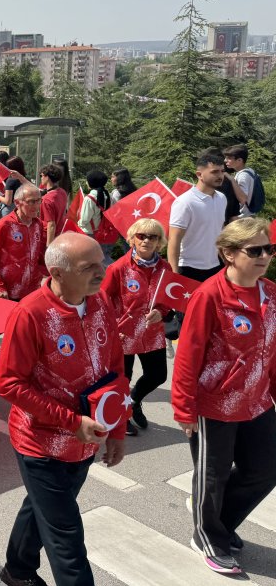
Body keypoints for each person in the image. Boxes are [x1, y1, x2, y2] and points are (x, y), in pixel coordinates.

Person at [0, 233, 125, 586]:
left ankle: (17, 571)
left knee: (43, 509)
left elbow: (115, 367)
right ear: (57, 273)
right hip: (41, 443)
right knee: (66, 534)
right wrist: (70, 421)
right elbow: (9, 383)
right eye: (89, 267)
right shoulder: (31, 313)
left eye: (101, 262)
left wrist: (117, 428)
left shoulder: (100, 303)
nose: (102, 272)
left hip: (85, 441)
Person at [171, 217, 276, 577]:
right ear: (229, 253)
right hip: (214, 404)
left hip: (257, 401)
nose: (265, 257)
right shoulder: (209, 296)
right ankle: (208, 537)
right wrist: (183, 408)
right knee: (212, 475)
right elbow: (188, 356)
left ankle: (220, 520)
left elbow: (271, 350)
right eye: (255, 250)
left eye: (269, 249)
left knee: (265, 468)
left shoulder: (271, 293)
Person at [100, 219, 171, 437]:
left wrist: (162, 311)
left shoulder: (165, 268)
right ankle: (121, 416)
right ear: (132, 239)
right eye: (141, 236)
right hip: (124, 334)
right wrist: (112, 327)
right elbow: (102, 300)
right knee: (123, 378)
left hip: (151, 332)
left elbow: (167, 299)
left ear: (159, 242)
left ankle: (133, 401)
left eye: (153, 237)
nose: (147, 240)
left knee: (158, 375)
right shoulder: (118, 268)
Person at [0, 185, 46, 377]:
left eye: (38, 201)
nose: (36, 205)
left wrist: (50, 272)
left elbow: (39, 255)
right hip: (7, 288)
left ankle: (23, 366)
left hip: (31, 288)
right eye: (31, 201)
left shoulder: (38, 225)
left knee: (28, 328)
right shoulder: (4, 225)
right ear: (18, 203)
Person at [168, 150, 227, 282]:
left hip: (215, 266)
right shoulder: (185, 202)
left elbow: (220, 232)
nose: (220, 176)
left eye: (222, 171)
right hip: (188, 268)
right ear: (199, 174)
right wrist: (174, 274)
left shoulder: (222, 198)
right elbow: (174, 240)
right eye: (214, 172)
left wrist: (227, 260)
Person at [78, 170, 115, 265]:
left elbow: (84, 220)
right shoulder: (109, 195)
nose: (86, 182)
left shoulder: (89, 198)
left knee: (91, 259)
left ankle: (113, 271)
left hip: (90, 233)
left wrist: (78, 223)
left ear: (91, 182)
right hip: (105, 232)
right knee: (103, 257)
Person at [223, 144, 260, 217]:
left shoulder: (243, 176)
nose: (225, 160)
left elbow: (243, 199)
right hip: (250, 214)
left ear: (239, 160)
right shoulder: (250, 171)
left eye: (229, 158)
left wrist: (232, 180)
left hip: (243, 217)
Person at [39, 164, 68, 245]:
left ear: (47, 177)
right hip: (60, 234)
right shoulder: (62, 192)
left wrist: (48, 246)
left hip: (48, 237)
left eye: (41, 175)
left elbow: (51, 224)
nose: (41, 178)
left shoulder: (47, 199)